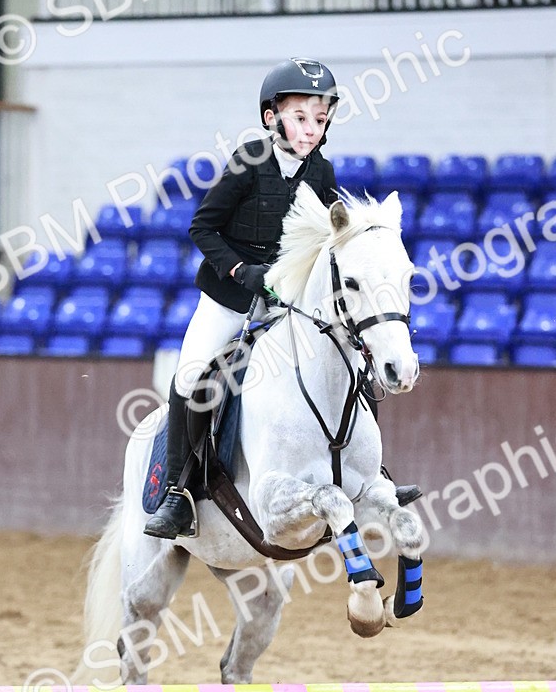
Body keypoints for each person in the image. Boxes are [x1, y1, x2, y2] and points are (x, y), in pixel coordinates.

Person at [144, 57, 416, 540]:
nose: (311, 129)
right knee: (192, 376)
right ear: (272, 117)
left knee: (351, 358)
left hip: (285, 303)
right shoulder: (248, 160)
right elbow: (201, 227)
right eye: (300, 118)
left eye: (320, 118)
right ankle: (180, 492)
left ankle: (373, 474)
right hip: (230, 297)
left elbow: (331, 245)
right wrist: (240, 269)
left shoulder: (323, 170)